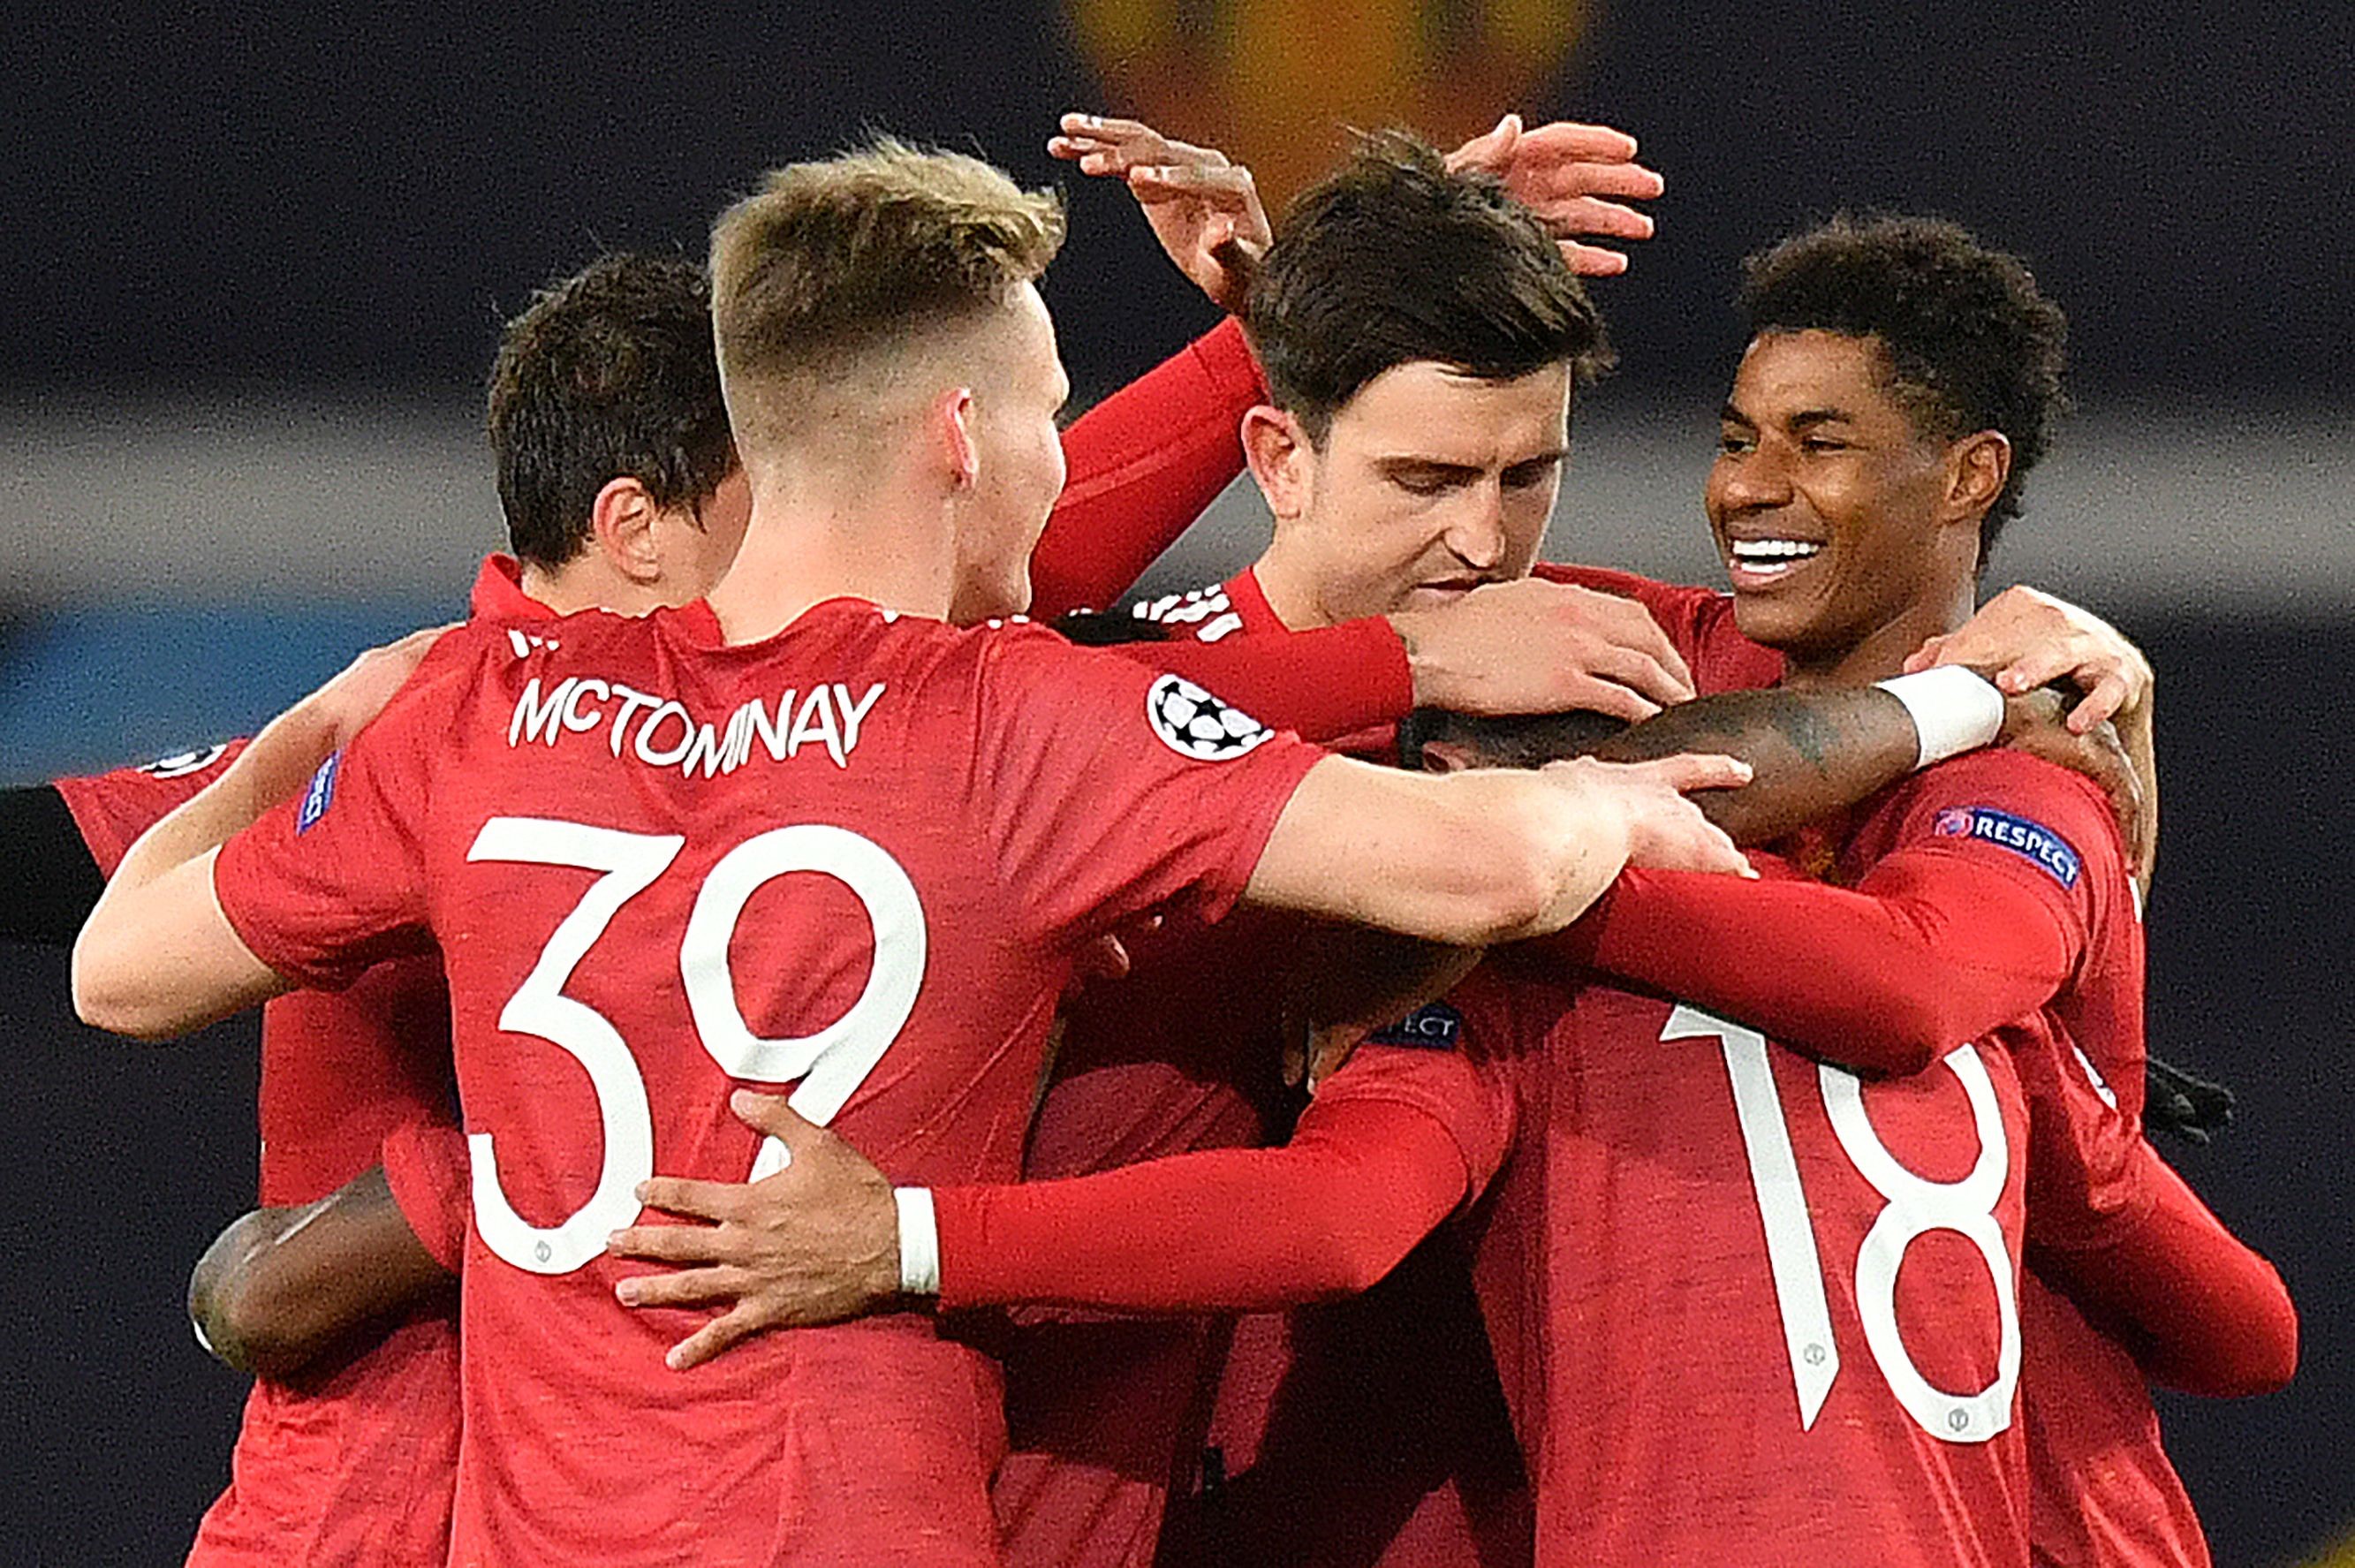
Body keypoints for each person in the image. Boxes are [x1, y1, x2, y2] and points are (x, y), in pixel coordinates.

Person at [71, 139, 1753, 1566]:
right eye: (1046, 407)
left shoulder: (474, 709)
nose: (1054, 451)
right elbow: (1480, 873)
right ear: (960, 431)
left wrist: (315, 729)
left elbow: (118, 973)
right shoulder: (1007, 725)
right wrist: (1604, 800)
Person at [572, 214, 2298, 1568]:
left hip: (1440, 1497)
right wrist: (1395, 680)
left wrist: (2007, 674)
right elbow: (925, 628)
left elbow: (1773, 756)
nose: (1485, 537)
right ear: (1276, 457)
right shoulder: (1067, 704)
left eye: (1526, 476)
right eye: (1422, 479)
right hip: (1010, 1461)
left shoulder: (1591, 677)